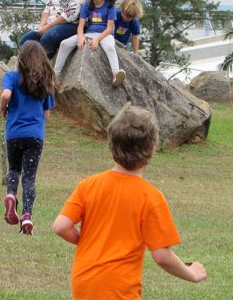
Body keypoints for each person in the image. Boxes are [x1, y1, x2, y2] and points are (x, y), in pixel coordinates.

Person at [52, 104, 207, 299]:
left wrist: (88, 242)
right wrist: (192, 273)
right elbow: (162, 256)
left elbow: (60, 226)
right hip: (119, 288)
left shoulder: (89, 185)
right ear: (152, 148)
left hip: (84, 282)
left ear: (111, 145)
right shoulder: (151, 197)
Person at [0, 41, 57, 235]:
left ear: (20, 58)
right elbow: (47, 113)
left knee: (14, 169)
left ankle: (10, 195)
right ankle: (26, 216)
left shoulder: (11, 77)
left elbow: (6, 95)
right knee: (30, 178)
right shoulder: (45, 82)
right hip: (35, 136)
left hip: (14, 134)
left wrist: (3, 110)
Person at [53, 0, 126, 87]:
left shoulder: (110, 6)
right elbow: (81, 25)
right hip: (89, 34)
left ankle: (115, 74)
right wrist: (81, 37)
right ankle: (54, 76)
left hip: (105, 35)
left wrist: (97, 40)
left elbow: (110, 28)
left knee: (110, 48)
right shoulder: (87, 5)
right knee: (64, 44)